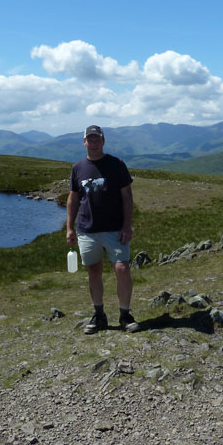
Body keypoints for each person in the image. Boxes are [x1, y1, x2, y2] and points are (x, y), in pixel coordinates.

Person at [67, 125, 140, 334]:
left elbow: (127, 196)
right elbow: (73, 198)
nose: (94, 143)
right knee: (94, 271)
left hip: (115, 230)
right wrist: (69, 228)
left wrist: (127, 226)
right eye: (90, 139)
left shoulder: (117, 165)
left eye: (97, 139)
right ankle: (99, 315)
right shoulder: (77, 168)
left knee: (122, 269)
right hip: (87, 230)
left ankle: (125, 315)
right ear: (84, 142)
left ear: (103, 141)